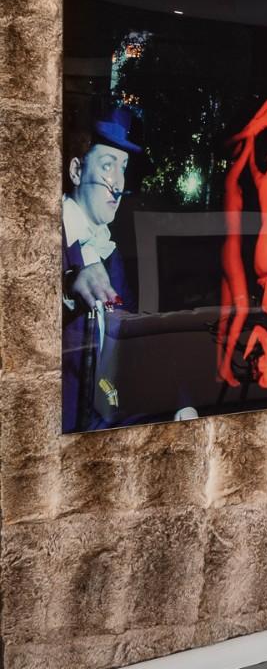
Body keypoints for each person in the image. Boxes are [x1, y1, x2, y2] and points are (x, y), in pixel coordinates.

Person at [61, 106, 141, 431]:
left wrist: (177, 399)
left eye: (124, 168)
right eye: (107, 166)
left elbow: (132, 338)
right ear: (77, 171)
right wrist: (66, 287)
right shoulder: (39, 238)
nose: (119, 184)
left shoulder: (110, 252)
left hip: (106, 419)